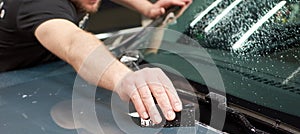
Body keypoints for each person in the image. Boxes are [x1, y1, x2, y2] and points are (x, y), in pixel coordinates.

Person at [0, 0, 192, 124]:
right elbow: (72, 43)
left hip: (44, 75)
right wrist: (124, 77)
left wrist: (146, 7)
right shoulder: (39, 4)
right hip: (10, 92)